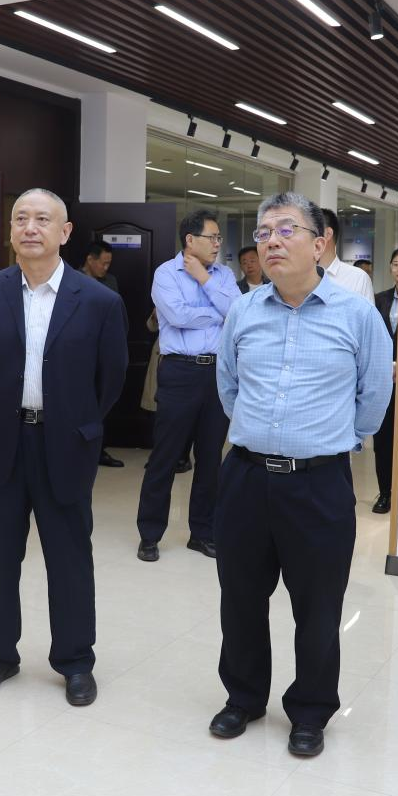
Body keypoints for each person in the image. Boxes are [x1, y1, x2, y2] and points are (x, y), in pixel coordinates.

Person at [208, 192, 390, 758]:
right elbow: (228, 385)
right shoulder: (243, 310)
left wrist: (329, 441)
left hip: (318, 484)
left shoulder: (356, 315)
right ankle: (243, 698)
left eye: (287, 230)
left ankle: (310, 711)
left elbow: (374, 397)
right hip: (245, 477)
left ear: (320, 243)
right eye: (264, 232)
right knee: (240, 597)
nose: (272, 241)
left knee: (317, 606)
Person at [0, 187, 128, 707]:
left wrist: (78, 424)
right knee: (0, 557)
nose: (29, 228)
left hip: (65, 445)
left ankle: (75, 661)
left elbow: (111, 380)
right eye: (20, 219)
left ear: (65, 232)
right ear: (10, 230)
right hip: (4, 443)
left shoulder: (99, 301)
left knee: (70, 558)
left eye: (41, 219)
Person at [137, 209, 239, 561]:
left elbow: (237, 312)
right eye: (212, 237)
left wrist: (205, 280)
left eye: (219, 238)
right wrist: (217, 313)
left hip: (217, 374)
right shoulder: (166, 273)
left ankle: (203, 533)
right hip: (179, 372)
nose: (217, 244)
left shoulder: (223, 275)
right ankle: (149, 534)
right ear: (190, 240)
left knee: (210, 459)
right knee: (165, 456)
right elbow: (177, 316)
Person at [82, 239, 124, 468]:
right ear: (90, 259)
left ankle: (100, 449)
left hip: (104, 350)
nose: (106, 268)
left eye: (109, 263)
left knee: (105, 400)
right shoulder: (73, 280)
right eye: (103, 263)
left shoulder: (110, 282)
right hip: (81, 352)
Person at [371, 247, 398, 513]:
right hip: (383, 379)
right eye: (395, 264)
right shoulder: (379, 299)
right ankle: (385, 492)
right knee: (382, 441)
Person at [318, 209, 375, 301]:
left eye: (311, 231)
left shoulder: (358, 278)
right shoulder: (300, 275)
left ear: (327, 234)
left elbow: (368, 310)